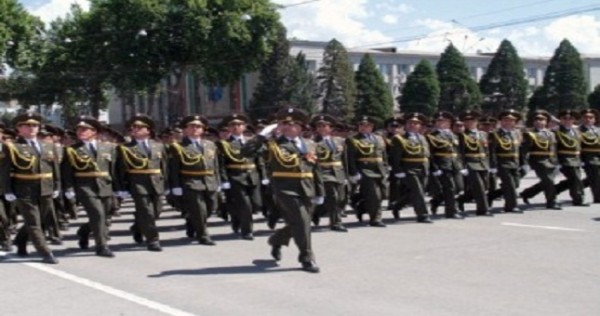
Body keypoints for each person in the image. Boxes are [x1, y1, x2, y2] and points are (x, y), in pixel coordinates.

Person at [241, 107, 324, 273]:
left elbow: (316, 169)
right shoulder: (272, 144)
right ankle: (307, 258)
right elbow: (245, 152)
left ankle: (277, 239)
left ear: (300, 127)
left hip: (307, 188)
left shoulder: (310, 144)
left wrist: (320, 191)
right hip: (285, 188)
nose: (286, 126)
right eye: (283, 123)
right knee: (301, 221)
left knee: (300, 223)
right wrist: (262, 136)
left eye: (291, 124)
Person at [4, 113, 60, 264]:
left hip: (46, 188)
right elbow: (4, 171)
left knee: (39, 220)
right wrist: (7, 190)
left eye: (34, 125)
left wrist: (56, 185)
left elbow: (54, 168)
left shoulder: (48, 145)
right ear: (19, 129)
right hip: (24, 189)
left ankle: (21, 241)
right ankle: (45, 252)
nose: (31, 128)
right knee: (34, 222)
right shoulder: (12, 147)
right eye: (27, 125)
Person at [61, 116, 116, 257]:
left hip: (105, 185)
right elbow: (67, 171)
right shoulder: (71, 150)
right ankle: (101, 246)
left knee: (104, 215)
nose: (81, 131)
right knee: (97, 213)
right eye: (79, 129)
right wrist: (68, 188)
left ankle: (84, 231)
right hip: (84, 186)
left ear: (95, 132)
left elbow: (114, 169)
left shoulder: (108, 147)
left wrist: (119, 187)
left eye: (85, 129)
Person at [115, 114, 168, 251]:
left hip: (156, 182)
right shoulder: (124, 148)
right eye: (133, 128)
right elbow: (120, 169)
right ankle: (153, 240)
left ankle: (137, 227)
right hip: (138, 183)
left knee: (156, 211)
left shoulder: (159, 146)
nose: (135, 130)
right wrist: (121, 187)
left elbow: (164, 166)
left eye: (140, 127)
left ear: (148, 130)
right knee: (146, 211)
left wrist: (167, 184)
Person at [169, 115, 220, 246]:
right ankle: (203, 235)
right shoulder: (178, 147)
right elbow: (174, 168)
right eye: (191, 126)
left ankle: (193, 222)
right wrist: (176, 186)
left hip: (209, 181)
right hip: (191, 181)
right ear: (185, 130)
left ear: (203, 130)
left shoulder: (210, 145)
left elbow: (215, 166)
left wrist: (218, 181)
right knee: (199, 209)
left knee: (210, 208)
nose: (195, 129)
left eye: (198, 126)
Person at [216, 113, 265, 240]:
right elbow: (221, 164)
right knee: (245, 205)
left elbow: (259, 160)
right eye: (232, 125)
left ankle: (237, 217)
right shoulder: (224, 144)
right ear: (228, 128)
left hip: (252, 176)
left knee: (256, 204)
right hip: (235, 177)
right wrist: (224, 180)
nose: (236, 127)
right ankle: (247, 231)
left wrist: (264, 175)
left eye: (239, 124)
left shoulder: (252, 141)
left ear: (244, 127)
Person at [390, 113, 433, 223]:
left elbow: (426, 154)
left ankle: (397, 205)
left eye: (416, 123)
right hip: (409, 168)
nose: (413, 125)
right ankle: (422, 215)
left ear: (420, 126)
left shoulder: (422, 137)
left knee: (418, 191)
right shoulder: (399, 138)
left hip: (423, 167)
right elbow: (395, 156)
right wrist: (398, 170)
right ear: (405, 125)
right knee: (418, 191)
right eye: (410, 123)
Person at [346, 116, 388, 227]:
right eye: (361, 125)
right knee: (375, 195)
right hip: (365, 170)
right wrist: (354, 172)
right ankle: (375, 219)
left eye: (367, 126)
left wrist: (386, 166)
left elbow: (383, 154)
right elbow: (350, 157)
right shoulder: (353, 139)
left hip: (379, 169)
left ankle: (360, 207)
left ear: (372, 127)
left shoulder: (379, 138)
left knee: (384, 194)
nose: (363, 128)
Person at [311, 114, 348, 231]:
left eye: (324, 126)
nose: (322, 128)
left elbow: (344, 159)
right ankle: (335, 223)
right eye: (319, 126)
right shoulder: (313, 143)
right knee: (333, 197)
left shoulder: (339, 141)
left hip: (339, 172)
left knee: (342, 198)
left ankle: (316, 212)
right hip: (324, 172)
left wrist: (347, 175)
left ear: (331, 128)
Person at [519, 110, 561, 210]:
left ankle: (527, 193)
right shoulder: (529, 134)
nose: (539, 121)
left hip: (551, 161)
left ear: (546, 122)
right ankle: (552, 202)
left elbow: (554, 149)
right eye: (536, 120)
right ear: (533, 122)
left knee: (547, 181)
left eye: (542, 120)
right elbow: (524, 150)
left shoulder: (551, 134)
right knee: (549, 181)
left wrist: (557, 162)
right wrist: (524, 163)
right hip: (538, 161)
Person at [426, 111, 463, 219]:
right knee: (450, 187)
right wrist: (435, 167)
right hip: (442, 164)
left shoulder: (453, 135)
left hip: (455, 163)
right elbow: (430, 153)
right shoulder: (432, 136)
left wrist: (462, 165)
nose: (441, 123)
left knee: (459, 187)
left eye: (444, 121)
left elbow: (458, 151)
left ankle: (436, 201)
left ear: (449, 123)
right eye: (439, 121)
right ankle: (451, 211)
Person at [488, 109, 525, 213]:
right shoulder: (495, 134)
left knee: (515, 184)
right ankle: (511, 206)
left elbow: (520, 150)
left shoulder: (517, 133)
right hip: (502, 163)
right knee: (510, 185)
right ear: (501, 122)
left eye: (511, 121)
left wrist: (523, 163)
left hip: (515, 163)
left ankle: (488, 197)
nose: (508, 123)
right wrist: (493, 165)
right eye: (506, 120)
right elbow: (492, 151)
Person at [456, 110, 491, 216]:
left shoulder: (483, 134)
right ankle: (483, 210)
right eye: (467, 120)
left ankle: (461, 200)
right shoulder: (461, 135)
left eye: (472, 120)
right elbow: (459, 152)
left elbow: (487, 151)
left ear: (477, 121)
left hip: (483, 163)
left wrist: (489, 164)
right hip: (470, 163)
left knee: (485, 186)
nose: (470, 122)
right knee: (479, 187)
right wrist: (462, 166)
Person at [554, 110, 588, 206]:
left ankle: (551, 191)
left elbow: (579, 146)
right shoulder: (557, 131)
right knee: (575, 179)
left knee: (575, 179)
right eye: (565, 118)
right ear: (561, 120)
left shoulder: (576, 131)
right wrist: (556, 162)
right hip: (565, 159)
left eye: (570, 119)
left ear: (574, 120)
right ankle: (578, 199)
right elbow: (554, 148)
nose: (567, 120)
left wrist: (581, 159)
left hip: (576, 159)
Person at [578, 108, 600, 203]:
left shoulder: (598, 130)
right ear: (581, 119)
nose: (588, 119)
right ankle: (598, 198)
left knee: (591, 179)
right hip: (588, 157)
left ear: (594, 119)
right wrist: (581, 160)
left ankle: (574, 187)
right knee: (595, 177)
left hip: (598, 156)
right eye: (585, 117)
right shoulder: (577, 131)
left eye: (591, 117)